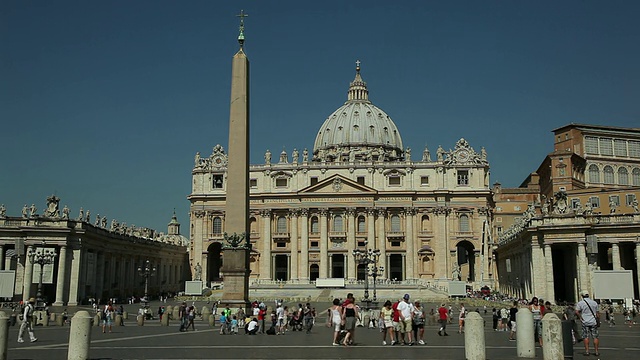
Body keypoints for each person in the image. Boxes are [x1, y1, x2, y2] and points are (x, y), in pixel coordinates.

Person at [576, 290, 600, 356]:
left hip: (585, 322)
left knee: (586, 337)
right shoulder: (594, 303)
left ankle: (587, 351)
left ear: (582, 296)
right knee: (595, 337)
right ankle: (596, 351)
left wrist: (580, 317)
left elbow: (577, 311)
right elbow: (597, 314)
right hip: (593, 322)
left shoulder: (580, 303)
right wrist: (598, 321)